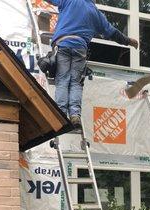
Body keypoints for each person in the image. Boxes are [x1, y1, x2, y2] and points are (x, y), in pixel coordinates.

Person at [44, 0, 138, 128]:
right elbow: (113, 33)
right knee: (75, 83)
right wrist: (129, 41)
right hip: (80, 48)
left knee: (62, 79)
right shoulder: (96, 13)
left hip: (63, 44)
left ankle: (60, 112)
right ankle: (75, 115)